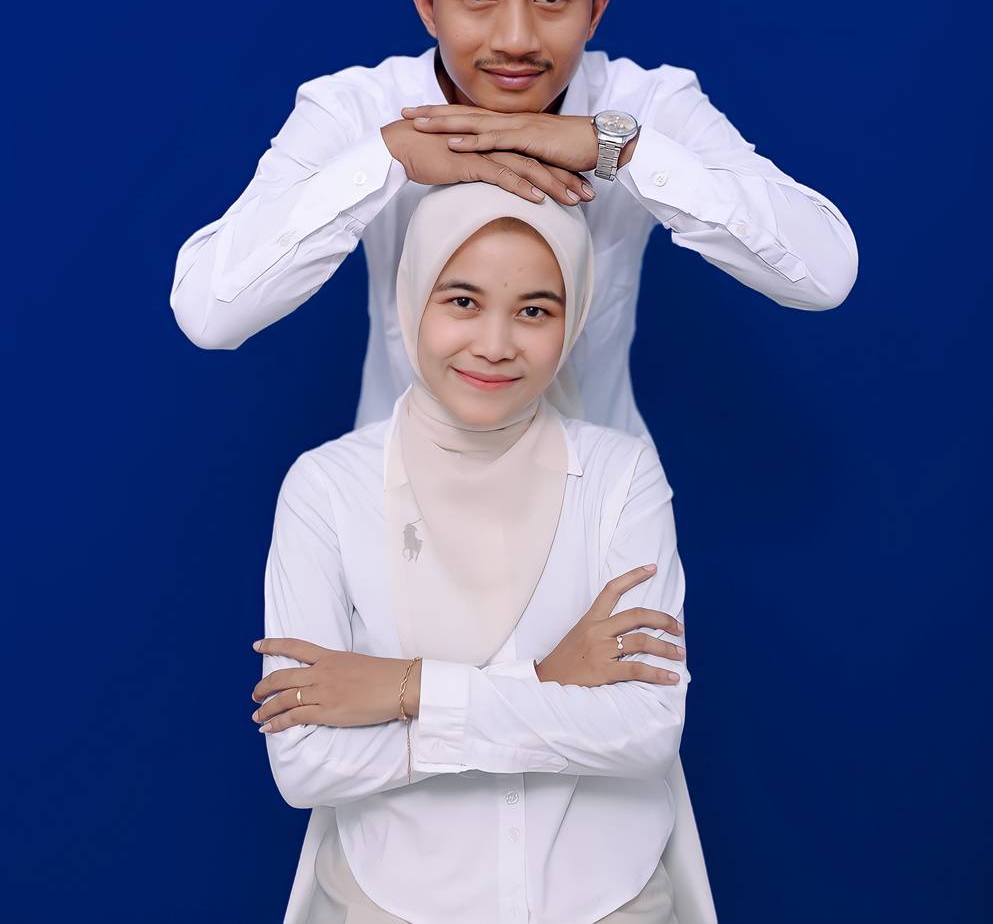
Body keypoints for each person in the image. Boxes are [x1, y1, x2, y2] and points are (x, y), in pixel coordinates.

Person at [170, 0, 858, 443]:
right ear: (427, 5)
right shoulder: (356, 110)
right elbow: (209, 312)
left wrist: (618, 148)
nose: (517, 39)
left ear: (596, 8)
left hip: (601, 515)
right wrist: (387, 158)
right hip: (396, 518)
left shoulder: (645, 105)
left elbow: (824, 272)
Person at [250, 182, 703, 924]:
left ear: (573, 318)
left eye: (535, 311)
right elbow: (305, 764)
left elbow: (648, 729)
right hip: (386, 901)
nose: (495, 344)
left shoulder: (621, 476)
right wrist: (549, 679)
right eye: (462, 301)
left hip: (607, 900)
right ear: (412, 300)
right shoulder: (327, 487)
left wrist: (408, 691)